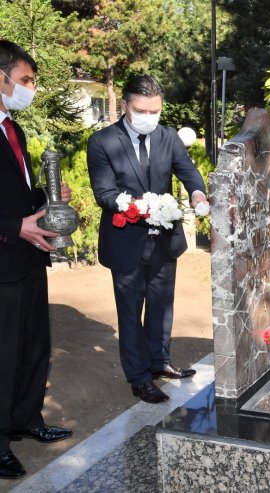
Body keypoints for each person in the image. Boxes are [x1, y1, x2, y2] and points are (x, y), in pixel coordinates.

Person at [88, 75, 207, 404]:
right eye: (142, 110)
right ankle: (139, 378)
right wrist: (141, 208)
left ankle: (159, 362)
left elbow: (187, 170)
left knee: (161, 305)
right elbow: (105, 193)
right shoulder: (103, 142)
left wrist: (197, 193)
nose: (149, 117)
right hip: (126, 240)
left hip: (164, 240)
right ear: (126, 106)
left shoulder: (168, 137)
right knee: (130, 312)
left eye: (155, 111)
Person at [0, 39, 73, 480]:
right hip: (4, 260)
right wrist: (14, 227)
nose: (30, 89)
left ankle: (27, 419)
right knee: (2, 354)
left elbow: (17, 193)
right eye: (25, 80)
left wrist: (47, 200)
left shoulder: (13, 128)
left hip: (28, 259)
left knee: (32, 347)